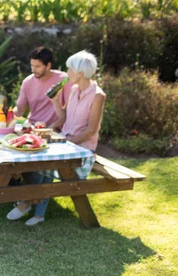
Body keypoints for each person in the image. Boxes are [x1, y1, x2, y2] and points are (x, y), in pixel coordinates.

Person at [7, 50, 106, 226]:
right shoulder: (74, 89)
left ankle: (27, 203)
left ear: (80, 73)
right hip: (66, 141)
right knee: (39, 160)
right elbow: (65, 115)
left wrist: (66, 142)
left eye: (69, 70)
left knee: (44, 162)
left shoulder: (98, 95)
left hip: (82, 149)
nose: (67, 73)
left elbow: (91, 130)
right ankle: (38, 213)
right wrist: (54, 101)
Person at [13, 47, 72, 130]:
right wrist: (4, 113)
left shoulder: (64, 80)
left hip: (56, 130)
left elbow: (68, 113)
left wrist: (49, 129)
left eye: (37, 66)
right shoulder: (27, 82)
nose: (33, 70)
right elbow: (19, 111)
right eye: (32, 65)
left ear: (48, 65)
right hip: (32, 128)